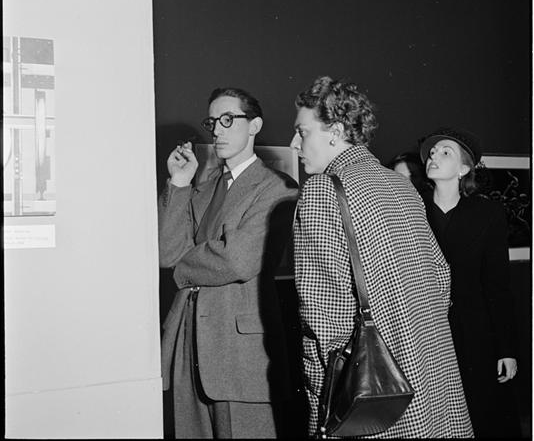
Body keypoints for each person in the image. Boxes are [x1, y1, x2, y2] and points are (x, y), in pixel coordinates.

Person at [290, 76, 473, 438]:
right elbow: (441, 276)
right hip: (432, 371)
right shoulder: (400, 184)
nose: (295, 143)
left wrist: (321, 395)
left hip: (375, 394)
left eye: (302, 132)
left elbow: (323, 319)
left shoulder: (323, 190)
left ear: (335, 132)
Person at [158, 87, 299, 439]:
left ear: (255, 126)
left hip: (239, 355)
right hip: (188, 342)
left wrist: (184, 266)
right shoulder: (204, 188)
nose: (217, 130)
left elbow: (237, 259)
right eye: (212, 122)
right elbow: (166, 251)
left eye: (227, 120)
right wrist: (180, 183)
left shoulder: (277, 187)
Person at [419, 127, 520, 438]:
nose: (434, 156)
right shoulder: (413, 209)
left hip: (475, 335)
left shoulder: (487, 213)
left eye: (445, 152)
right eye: (432, 153)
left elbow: (498, 285)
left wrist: (506, 348)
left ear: (464, 168)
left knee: (481, 415)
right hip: (426, 332)